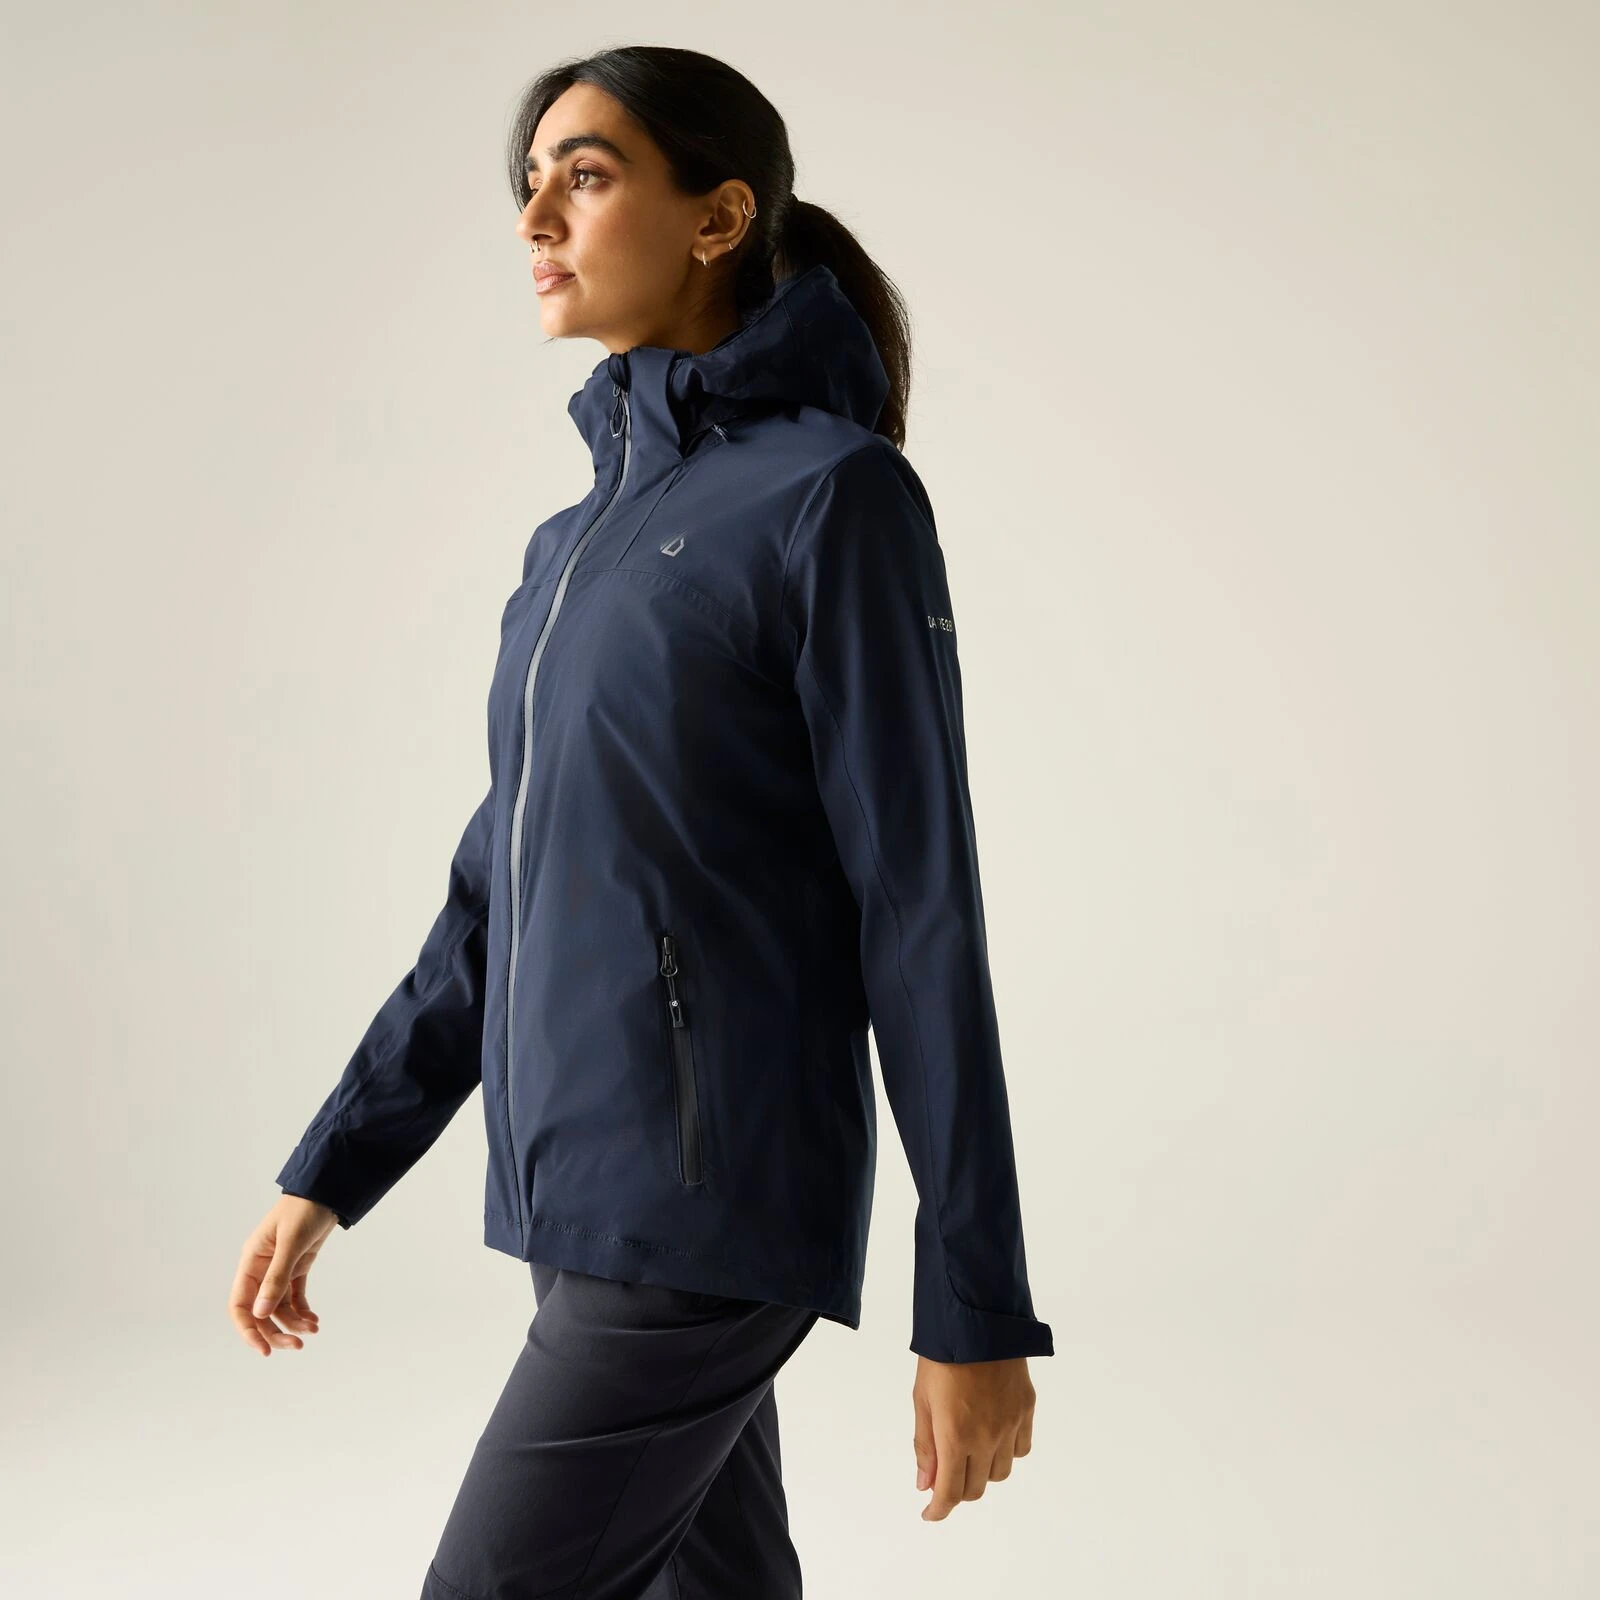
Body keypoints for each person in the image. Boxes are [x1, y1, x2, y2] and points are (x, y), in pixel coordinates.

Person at [228, 44, 1054, 1599]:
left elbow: (920, 906)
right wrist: (335, 1161)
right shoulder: (571, 546)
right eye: (529, 181)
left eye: (587, 175)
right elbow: (496, 897)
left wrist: (976, 1302)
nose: (536, 214)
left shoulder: (835, 499)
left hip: (708, 1201)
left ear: (719, 217)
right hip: (582, 1198)